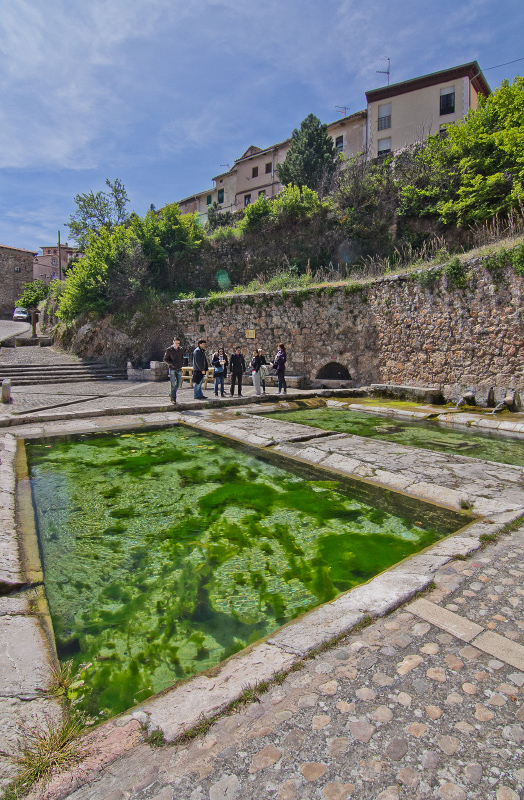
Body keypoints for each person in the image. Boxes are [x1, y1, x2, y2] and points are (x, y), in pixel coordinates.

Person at [163, 336, 184, 404]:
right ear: (173, 342)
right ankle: (173, 399)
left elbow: (182, 357)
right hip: (172, 369)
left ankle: (171, 394)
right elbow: (165, 359)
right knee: (173, 384)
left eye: (178, 343)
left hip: (179, 368)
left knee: (178, 384)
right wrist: (170, 364)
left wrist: (181, 364)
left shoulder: (181, 349)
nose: (177, 344)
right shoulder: (169, 350)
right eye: (176, 343)